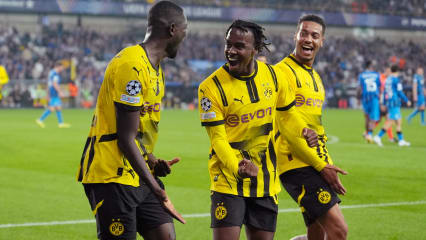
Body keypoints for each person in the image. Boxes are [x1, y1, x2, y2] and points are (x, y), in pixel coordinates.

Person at [198, 19, 318, 240]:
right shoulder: (210, 88)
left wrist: (303, 130)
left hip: (266, 183)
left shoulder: (273, 76)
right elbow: (218, 139)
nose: (231, 51)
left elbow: (289, 113)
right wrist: (237, 167)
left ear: (255, 49)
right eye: (228, 44)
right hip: (228, 180)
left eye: (239, 46)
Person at [77, 1, 187, 239]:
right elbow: (125, 139)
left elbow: (136, 133)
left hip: (137, 172)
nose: (185, 37)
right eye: (184, 30)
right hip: (111, 174)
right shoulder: (132, 65)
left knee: (165, 236)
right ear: (172, 30)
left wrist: (151, 160)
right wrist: (156, 187)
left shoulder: (156, 69)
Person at [274, 15, 348, 240]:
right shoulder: (281, 72)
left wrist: (327, 162)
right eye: (303, 33)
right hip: (294, 162)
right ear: (295, 36)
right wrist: (320, 166)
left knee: (317, 232)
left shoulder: (316, 78)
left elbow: (317, 127)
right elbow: (286, 125)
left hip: (315, 161)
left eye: (314, 35)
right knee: (338, 231)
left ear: (322, 41)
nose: (308, 39)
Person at [373, 65, 411, 147]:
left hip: (390, 102)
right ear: (397, 71)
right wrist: (407, 100)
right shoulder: (396, 80)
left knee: (398, 121)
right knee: (391, 121)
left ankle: (401, 140)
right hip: (394, 102)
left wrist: (384, 102)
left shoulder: (388, 79)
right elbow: (400, 92)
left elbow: (384, 92)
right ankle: (378, 136)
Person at [36, 61, 71, 128]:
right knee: (52, 108)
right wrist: (60, 92)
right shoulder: (55, 74)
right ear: (58, 67)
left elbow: (49, 83)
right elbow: (54, 84)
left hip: (51, 92)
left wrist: (47, 93)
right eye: (62, 67)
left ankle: (61, 123)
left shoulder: (51, 72)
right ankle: (40, 120)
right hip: (54, 92)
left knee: (58, 108)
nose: (62, 69)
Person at [358, 60, 381, 143]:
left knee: (367, 118)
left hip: (365, 98)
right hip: (374, 98)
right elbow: (379, 87)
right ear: (371, 66)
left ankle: (367, 133)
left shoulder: (361, 75)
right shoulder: (376, 75)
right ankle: (369, 135)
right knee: (373, 118)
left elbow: (359, 88)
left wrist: (358, 99)